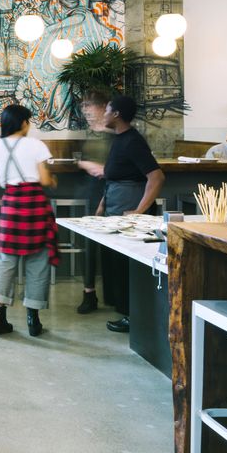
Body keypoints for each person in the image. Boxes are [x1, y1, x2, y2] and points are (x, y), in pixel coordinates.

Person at [0, 104, 59, 337]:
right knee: (38, 259)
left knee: (7, 259)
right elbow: (44, 179)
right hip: (35, 205)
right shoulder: (36, 145)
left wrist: (5, 180)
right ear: (24, 122)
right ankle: (33, 319)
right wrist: (53, 180)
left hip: (12, 204)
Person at [99, 95, 165, 333]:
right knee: (117, 264)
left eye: (107, 110)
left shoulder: (133, 141)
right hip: (115, 206)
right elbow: (114, 176)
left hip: (128, 211)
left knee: (129, 266)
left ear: (116, 114)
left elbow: (156, 177)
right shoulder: (120, 139)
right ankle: (127, 313)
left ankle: (133, 316)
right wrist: (102, 205)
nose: (104, 114)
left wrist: (139, 211)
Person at [75, 90, 112, 315]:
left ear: (103, 106)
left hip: (114, 190)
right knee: (89, 242)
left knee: (114, 242)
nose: (85, 110)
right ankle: (89, 292)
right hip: (93, 190)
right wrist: (86, 164)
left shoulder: (116, 132)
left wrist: (105, 169)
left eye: (89, 106)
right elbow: (81, 160)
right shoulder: (88, 132)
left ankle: (115, 294)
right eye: (84, 106)